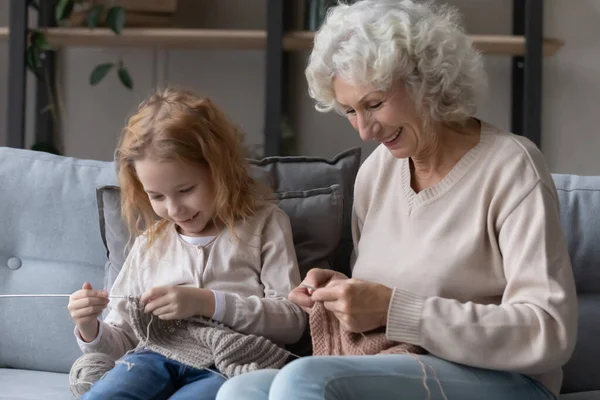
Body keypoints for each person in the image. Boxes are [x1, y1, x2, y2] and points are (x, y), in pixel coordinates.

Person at [216, 1, 578, 399]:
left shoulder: (511, 167)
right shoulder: (377, 172)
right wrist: (342, 293)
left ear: (426, 80)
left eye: (374, 104)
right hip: (397, 364)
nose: (365, 131)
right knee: (242, 390)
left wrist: (395, 310)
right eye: (349, 111)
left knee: (303, 381)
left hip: (505, 379)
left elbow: (549, 329)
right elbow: (386, 292)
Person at [67, 87, 307, 400]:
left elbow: (292, 321)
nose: (174, 209)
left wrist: (207, 302)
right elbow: (121, 340)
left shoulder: (265, 224)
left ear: (218, 169)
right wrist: (89, 327)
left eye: (186, 189)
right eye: (157, 197)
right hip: (153, 357)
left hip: (231, 359)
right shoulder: (150, 245)